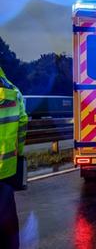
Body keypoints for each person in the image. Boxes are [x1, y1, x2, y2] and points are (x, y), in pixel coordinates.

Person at [0, 66, 28, 249]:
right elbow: (23, 122)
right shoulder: (12, 90)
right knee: (8, 228)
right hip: (6, 172)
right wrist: (18, 153)